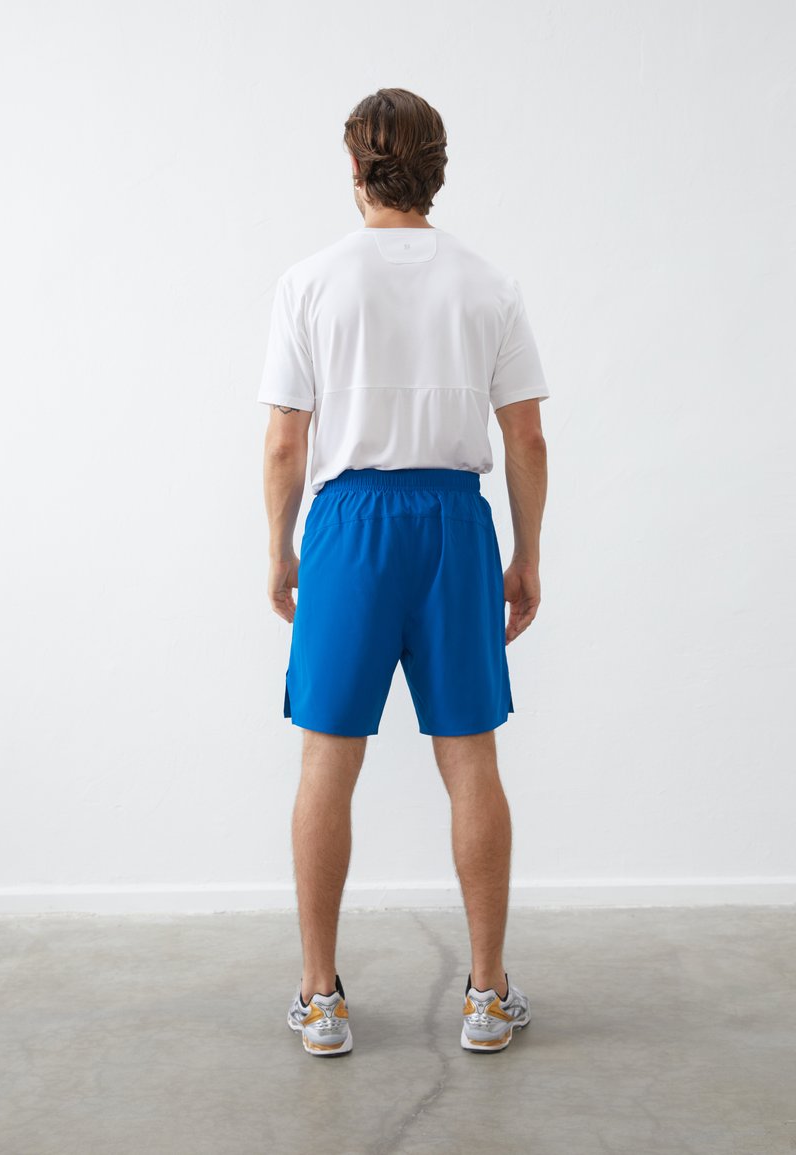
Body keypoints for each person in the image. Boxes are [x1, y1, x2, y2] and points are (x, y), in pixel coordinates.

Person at [258, 88, 549, 1056]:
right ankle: (485, 994)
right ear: (437, 168)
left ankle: (319, 998)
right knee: (470, 758)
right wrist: (525, 553)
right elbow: (526, 438)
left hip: (349, 525)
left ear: (354, 169)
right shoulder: (488, 283)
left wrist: (280, 547)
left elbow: (284, 443)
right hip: (453, 525)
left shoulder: (309, 281)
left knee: (326, 760)